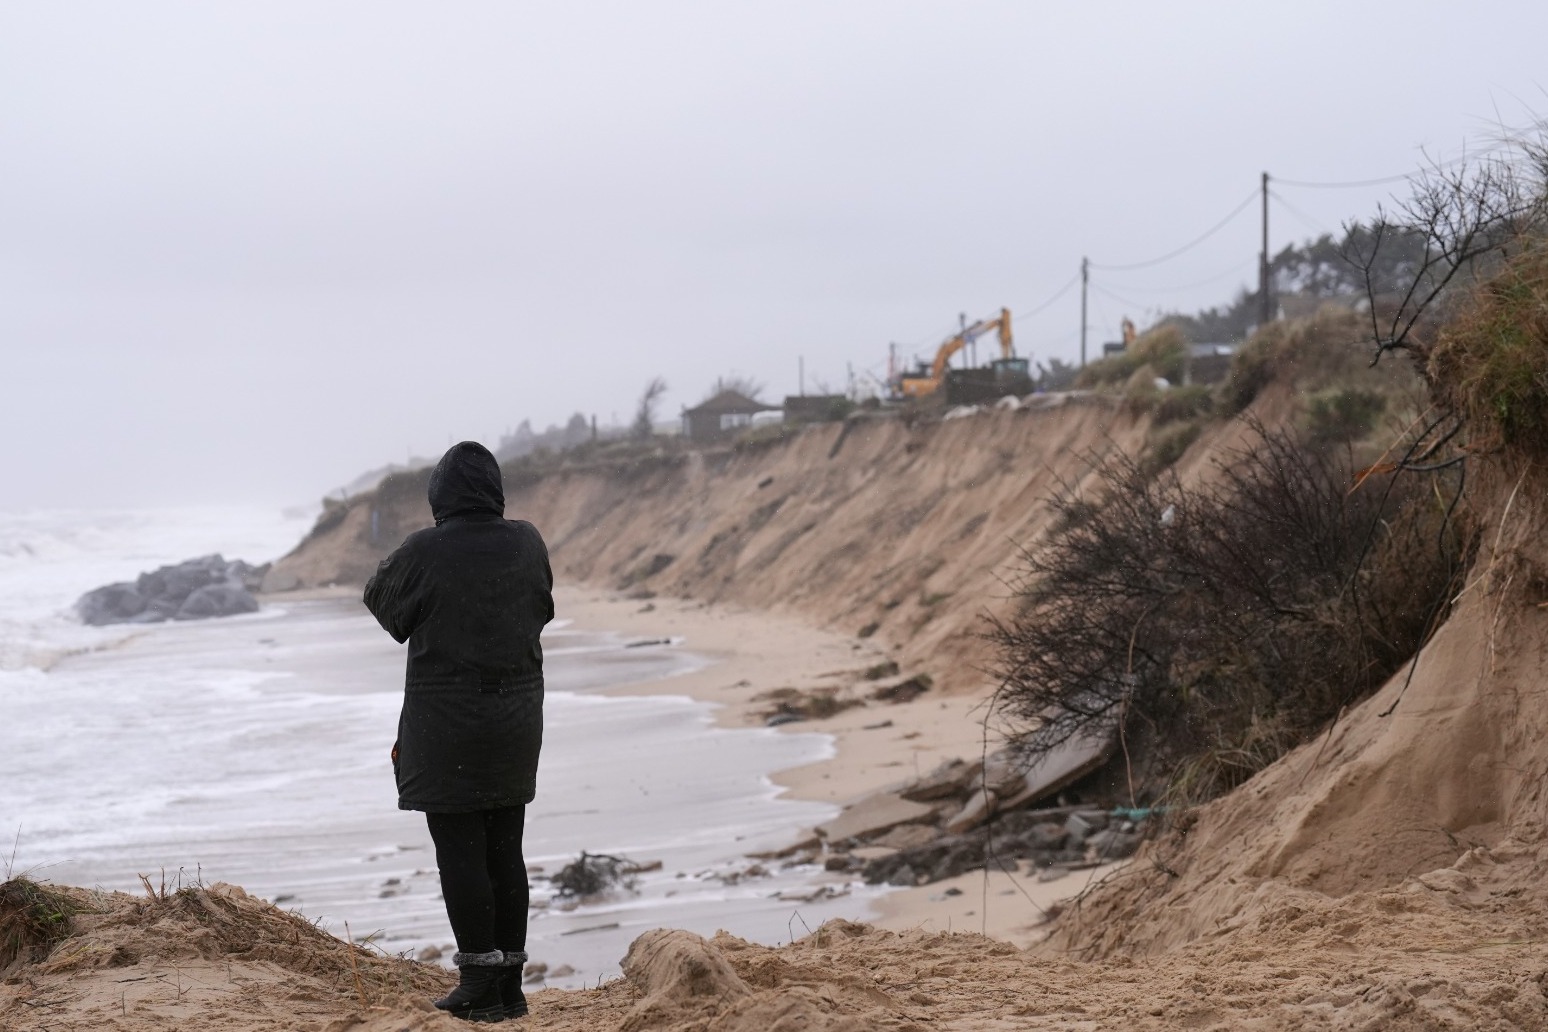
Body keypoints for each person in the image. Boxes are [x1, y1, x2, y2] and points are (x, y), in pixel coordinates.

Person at [364, 441, 553, 1022]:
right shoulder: (527, 542)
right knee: (506, 850)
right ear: (495, 490)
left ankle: (477, 982)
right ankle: (509, 987)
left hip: (446, 725)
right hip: (516, 719)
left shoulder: (425, 549)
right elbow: (542, 609)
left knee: (461, 853)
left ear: (439, 495)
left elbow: (384, 606)